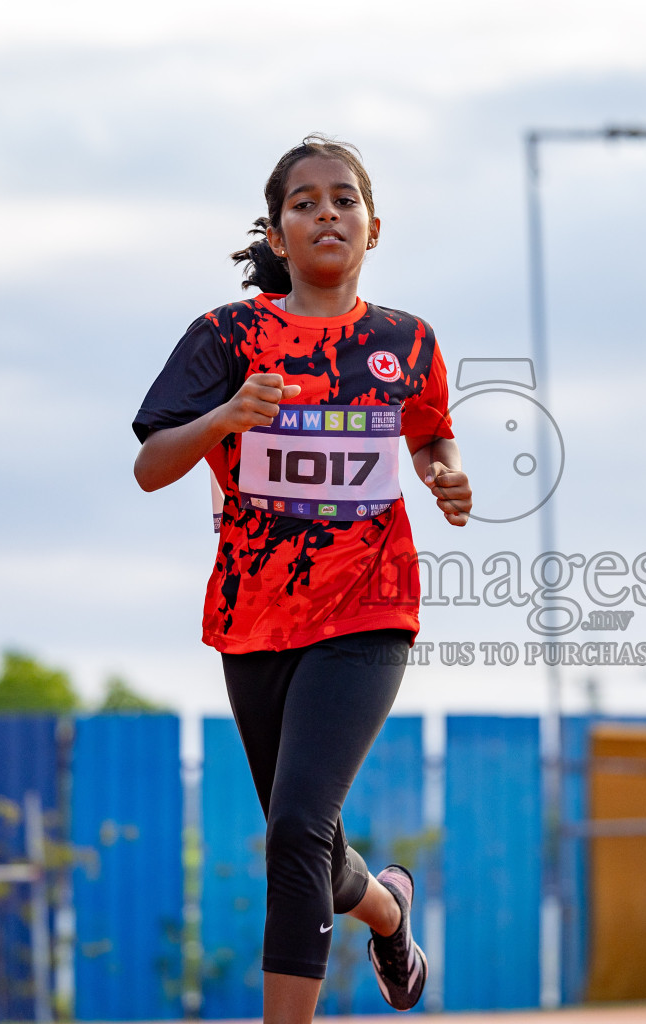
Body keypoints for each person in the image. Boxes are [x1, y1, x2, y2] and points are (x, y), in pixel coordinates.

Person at [131, 135, 472, 1023]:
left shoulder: (406, 341)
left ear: (374, 225)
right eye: (306, 202)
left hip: (369, 605)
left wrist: (443, 471)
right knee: (308, 853)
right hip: (254, 615)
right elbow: (151, 466)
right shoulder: (229, 335)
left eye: (344, 199)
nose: (328, 212)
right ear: (279, 235)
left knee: (293, 833)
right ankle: (389, 911)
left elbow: (431, 429)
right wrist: (227, 413)